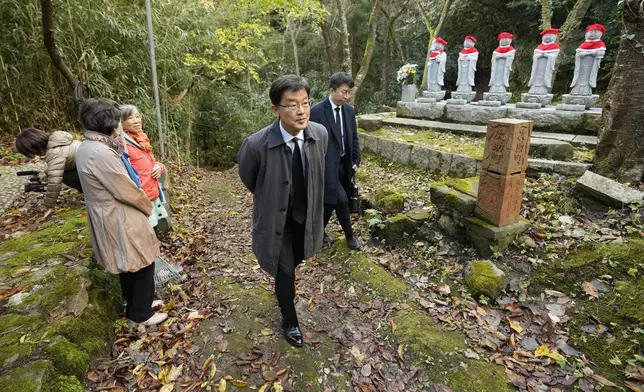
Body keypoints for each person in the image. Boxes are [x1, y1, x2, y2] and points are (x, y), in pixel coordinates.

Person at [238, 75, 328, 347]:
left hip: (308, 215)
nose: (301, 111)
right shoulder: (256, 145)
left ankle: (284, 287)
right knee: (285, 272)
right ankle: (289, 320)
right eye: (291, 105)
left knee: (298, 258)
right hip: (278, 222)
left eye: (305, 103)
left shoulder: (319, 134)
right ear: (276, 109)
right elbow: (250, 179)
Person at [75, 98, 167, 326]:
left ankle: (137, 304)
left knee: (128, 262)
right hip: (120, 214)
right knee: (143, 262)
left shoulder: (88, 146)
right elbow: (126, 190)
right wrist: (147, 206)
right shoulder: (101, 153)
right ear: (110, 124)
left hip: (111, 213)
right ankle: (142, 314)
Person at [310, 72, 362, 250]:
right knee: (340, 199)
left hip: (345, 165)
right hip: (324, 167)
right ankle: (350, 236)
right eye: (344, 92)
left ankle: (318, 233)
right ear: (332, 90)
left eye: (349, 92)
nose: (347, 96)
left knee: (329, 201)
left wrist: (356, 159)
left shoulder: (349, 110)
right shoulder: (316, 111)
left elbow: (354, 136)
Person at [117, 104, 170, 232]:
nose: (137, 120)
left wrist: (159, 167)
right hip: (140, 198)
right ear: (121, 122)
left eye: (137, 116)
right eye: (131, 118)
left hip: (152, 194)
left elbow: (151, 162)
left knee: (154, 231)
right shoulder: (121, 143)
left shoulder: (141, 139)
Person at [14, 128, 83, 208]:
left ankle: (92, 194)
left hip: (95, 173)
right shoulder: (58, 141)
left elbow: (54, 183)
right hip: (96, 165)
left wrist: (48, 205)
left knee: (63, 176)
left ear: (34, 149)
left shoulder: (53, 154)